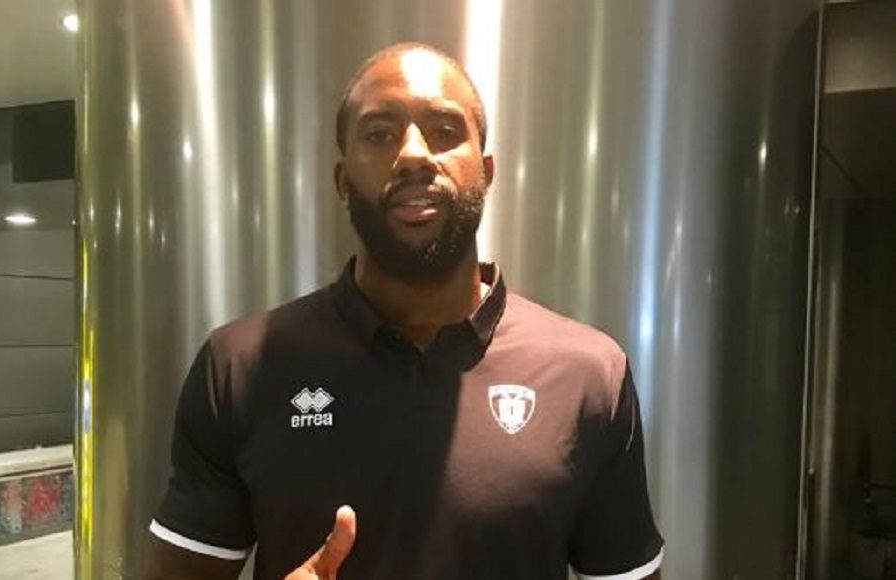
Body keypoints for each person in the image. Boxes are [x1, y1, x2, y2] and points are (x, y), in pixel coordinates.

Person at [144, 42, 664, 580]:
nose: (414, 155)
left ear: (485, 172)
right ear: (343, 181)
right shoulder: (240, 366)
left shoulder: (587, 374)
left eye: (444, 130)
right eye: (380, 134)